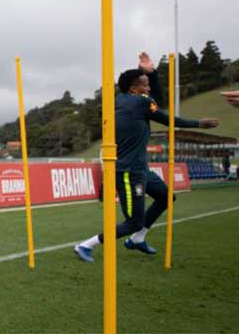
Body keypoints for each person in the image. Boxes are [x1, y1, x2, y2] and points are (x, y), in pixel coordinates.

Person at [74, 52, 219, 263]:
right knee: (133, 221)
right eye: (145, 84)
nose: (149, 87)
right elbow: (165, 115)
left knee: (165, 196)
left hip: (140, 168)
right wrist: (198, 123)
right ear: (134, 89)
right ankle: (85, 245)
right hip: (128, 172)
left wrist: (150, 74)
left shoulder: (123, 101)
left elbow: (154, 104)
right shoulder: (138, 103)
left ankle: (137, 239)